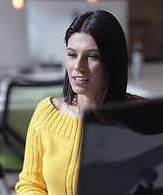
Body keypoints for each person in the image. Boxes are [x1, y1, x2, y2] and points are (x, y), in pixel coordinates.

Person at [15, 10, 145, 195]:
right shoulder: (47, 113)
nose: (78, 66)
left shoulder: (143, 116)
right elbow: (30, 185)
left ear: (112, 61)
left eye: (92, 56)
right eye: (72, 54)